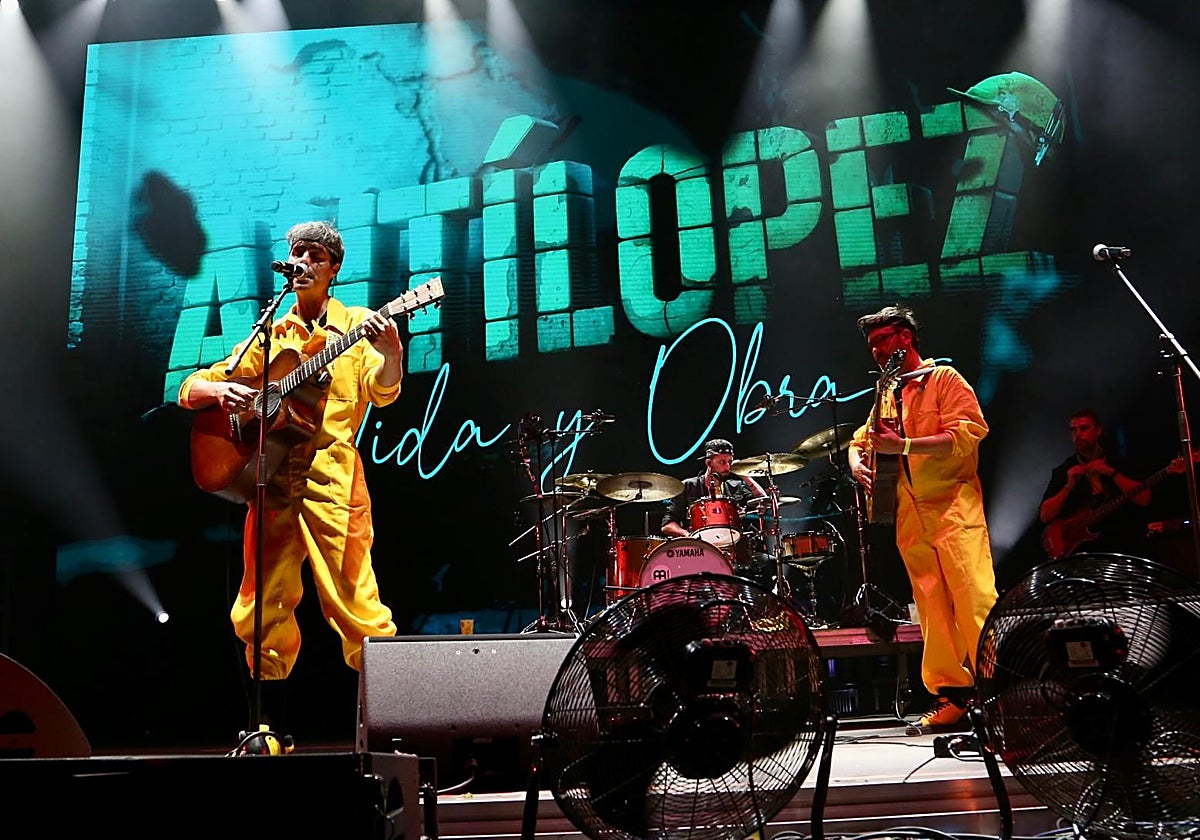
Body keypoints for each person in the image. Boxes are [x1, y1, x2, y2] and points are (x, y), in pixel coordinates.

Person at [178, 221, 402, 739]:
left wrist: (390, 354)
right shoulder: (272, 335)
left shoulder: (358, 324)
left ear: (334, 267)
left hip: (334, 482)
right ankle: (267, 731)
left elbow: (383, 390)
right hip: (274, 481)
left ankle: (386, 730)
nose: (302, 261)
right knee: (262, 604)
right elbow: (191, 386)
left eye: (314, 255)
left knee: (356, 602)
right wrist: (220, 394)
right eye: (296, 253)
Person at [846, 304, 998, 731]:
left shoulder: (944, 380)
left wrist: (906, 445)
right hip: (910, 514)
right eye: (871, 343)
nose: (876, 349)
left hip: (953, 506)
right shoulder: (887, 392)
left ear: (905, 338)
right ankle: (954, 696)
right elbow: (863, 438)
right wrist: (856, 460)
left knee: (974, 598)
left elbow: (966, 435)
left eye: (883, 339)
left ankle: (1000, 690)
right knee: (930, 607)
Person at [1038, 409, 1152, 560]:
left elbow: (1144, 499)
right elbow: (1045, 516)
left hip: (1123, 549)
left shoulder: (1118, 462)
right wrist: (1069, 487)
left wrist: (1111, 473)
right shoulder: (1064, 470)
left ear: (1098, 431)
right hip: (1081, 556)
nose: (1078, 434)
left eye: (1084, 428)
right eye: (1073, 430)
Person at [661, 439, 769, 572]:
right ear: (708, 463)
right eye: (722, 462)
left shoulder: (735, 486)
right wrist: (689, 536)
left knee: (770, 563)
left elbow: (764, 501)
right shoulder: (688, 486)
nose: (728, 467)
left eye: (730, 462)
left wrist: (745, 476)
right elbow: (667, 525)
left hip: (736, 552)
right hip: (699, 553)